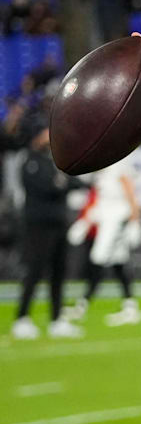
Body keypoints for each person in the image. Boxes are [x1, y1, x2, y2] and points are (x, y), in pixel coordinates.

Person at [11, 118, 83, 340]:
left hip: (58, 223)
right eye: (44, 133)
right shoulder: (29, 161)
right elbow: (48, 187)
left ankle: (57, 319)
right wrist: (60, 183)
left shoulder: (50, 161)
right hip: (38, 226)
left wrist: (61, 183)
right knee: (34, 271)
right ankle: (22, 318)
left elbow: (70, 183)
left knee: (59, 273)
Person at [65, 156, 141, 326]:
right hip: (107, 216)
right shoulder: (100, 168)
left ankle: (82, 305)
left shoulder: (118, 164)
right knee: (118, 263)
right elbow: (101, 198)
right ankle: (130, 307)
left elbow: (130, 193)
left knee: (98, 258)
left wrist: (135, 220)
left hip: (117, 218)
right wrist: (86, 221)